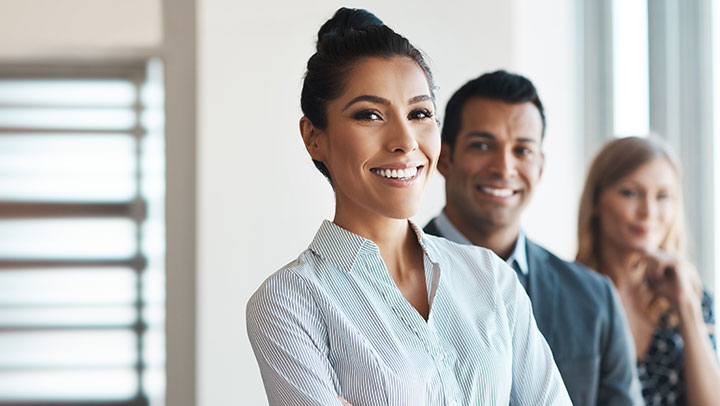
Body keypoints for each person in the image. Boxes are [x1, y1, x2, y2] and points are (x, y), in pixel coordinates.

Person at [246, 8, 571, 406]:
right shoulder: (288, 302)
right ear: (314, 136)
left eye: (420, 113)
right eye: (370, 115)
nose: (405, 140)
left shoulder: (491, 279)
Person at [424, 70, 642, 406]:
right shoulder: (387, 278)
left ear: (540, 166)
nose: (504, 167)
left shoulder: (593, 298)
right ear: (444, 157)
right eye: (482, 146)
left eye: (522, 150)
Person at [576, 135, 720, 406]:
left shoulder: (692, 299)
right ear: (596, 201)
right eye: (630, 192)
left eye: (663, 196)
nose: (648, 211)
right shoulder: (565, 293)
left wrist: (686, 307)